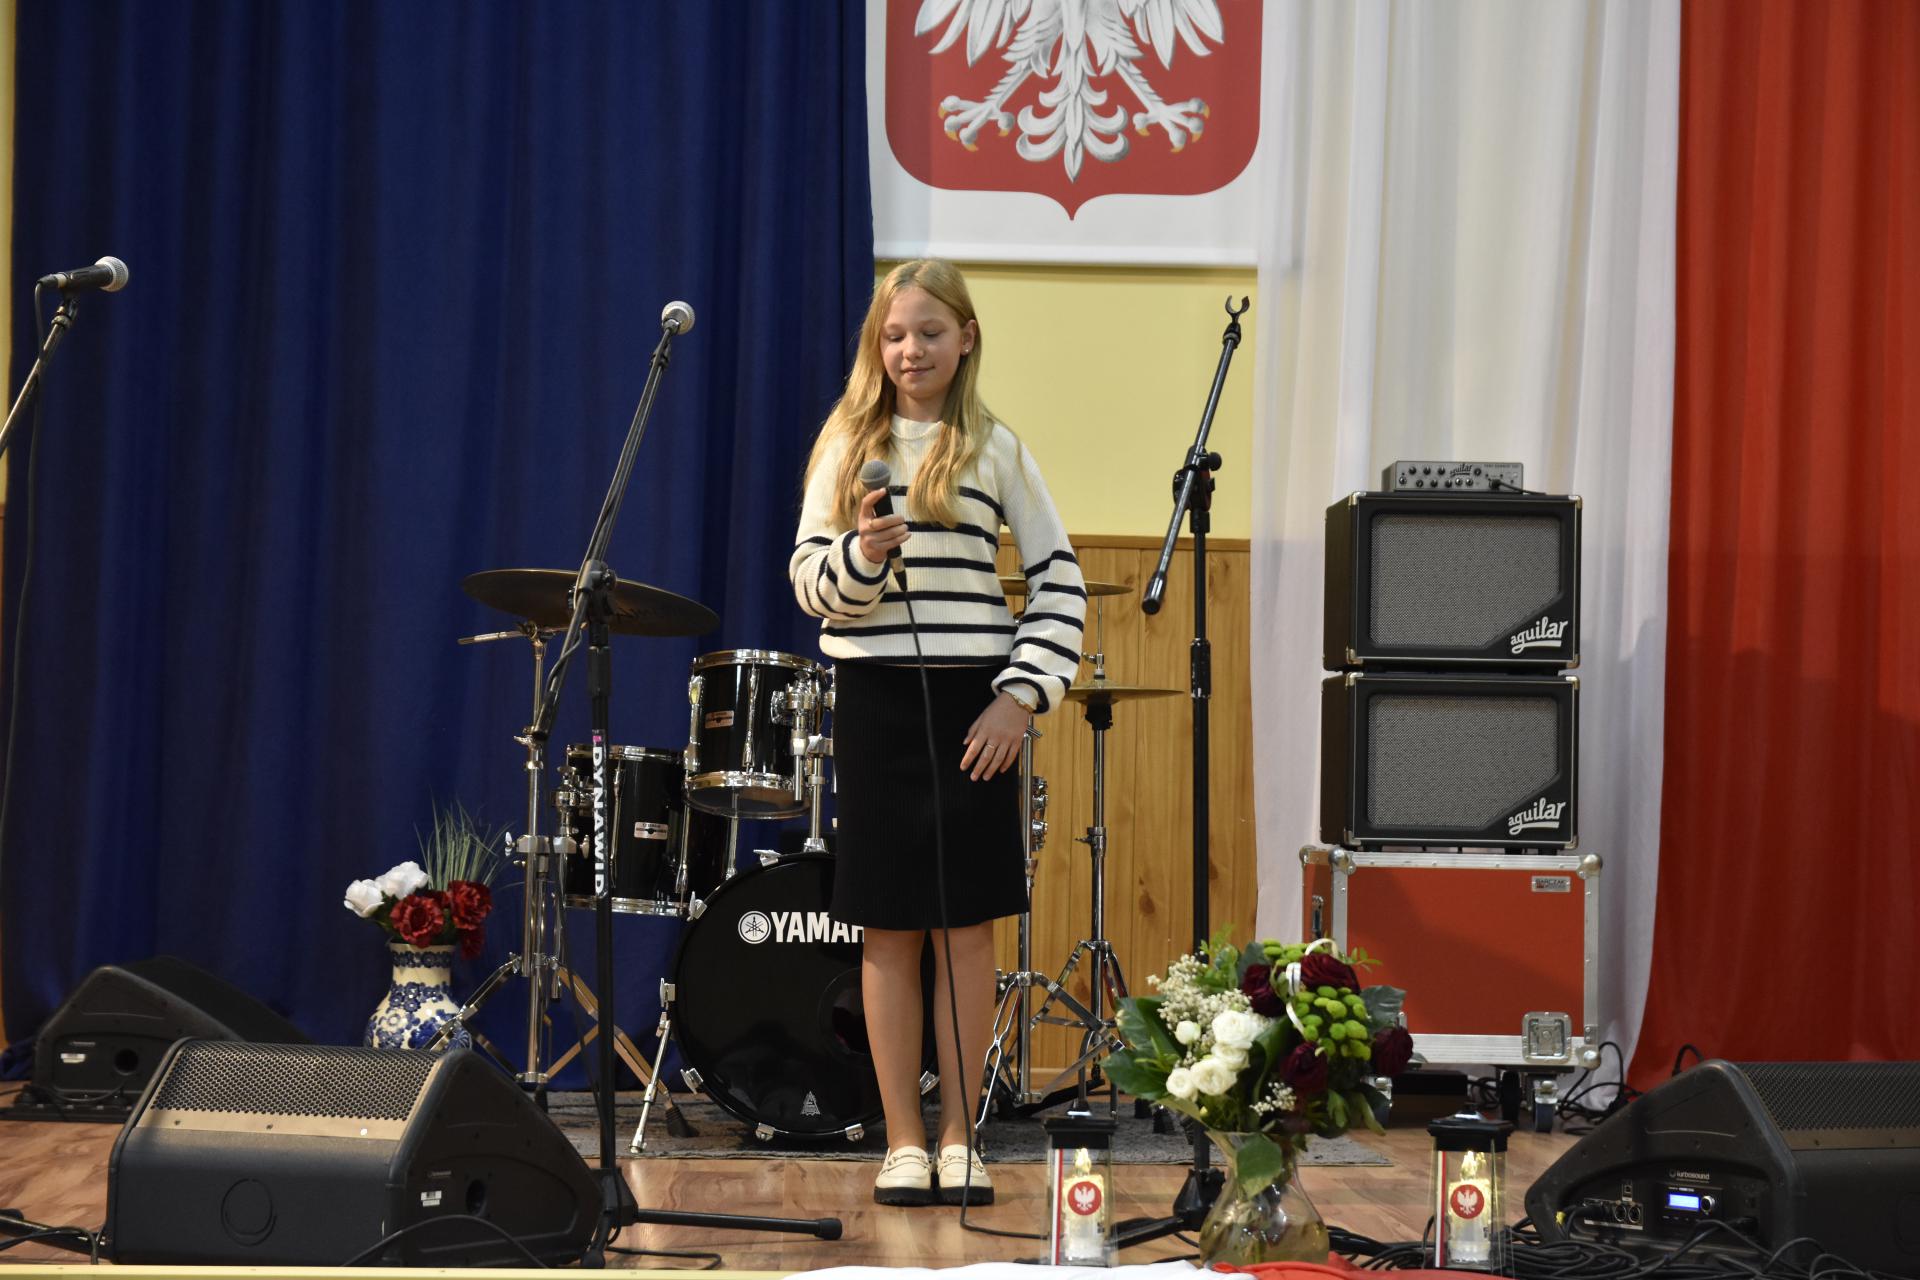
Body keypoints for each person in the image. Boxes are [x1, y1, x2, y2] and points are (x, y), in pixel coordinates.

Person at [789, 259, 1086, 1206]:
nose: (909, 350)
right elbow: (810, 582)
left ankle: (963, 1136)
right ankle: (904, 1142)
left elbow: (1061, 578)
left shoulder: (997, 449)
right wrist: (862, 557)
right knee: (888, 931)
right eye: (893, 334)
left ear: (967, 339)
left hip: (975, 712)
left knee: (965, 933)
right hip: (874, 702)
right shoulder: (847, 443)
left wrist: (1021, 697)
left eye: (928, 331)